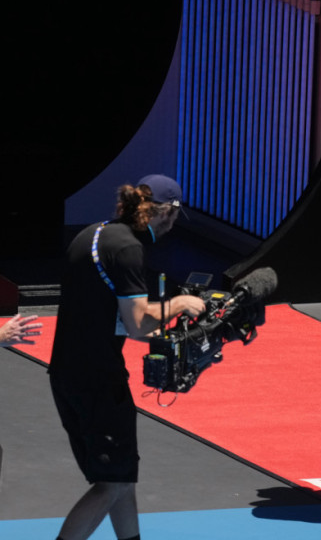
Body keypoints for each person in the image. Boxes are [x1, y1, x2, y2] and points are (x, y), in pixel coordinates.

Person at [48, 174, 206, 540]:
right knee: (112, 484)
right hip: (99, 380)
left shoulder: (92, 234)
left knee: (121, 475)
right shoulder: (129, 250)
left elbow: (109, 314)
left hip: (67, 374)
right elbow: (136, 325)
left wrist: (159, 327)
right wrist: (179, 304)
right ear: (166, 213)